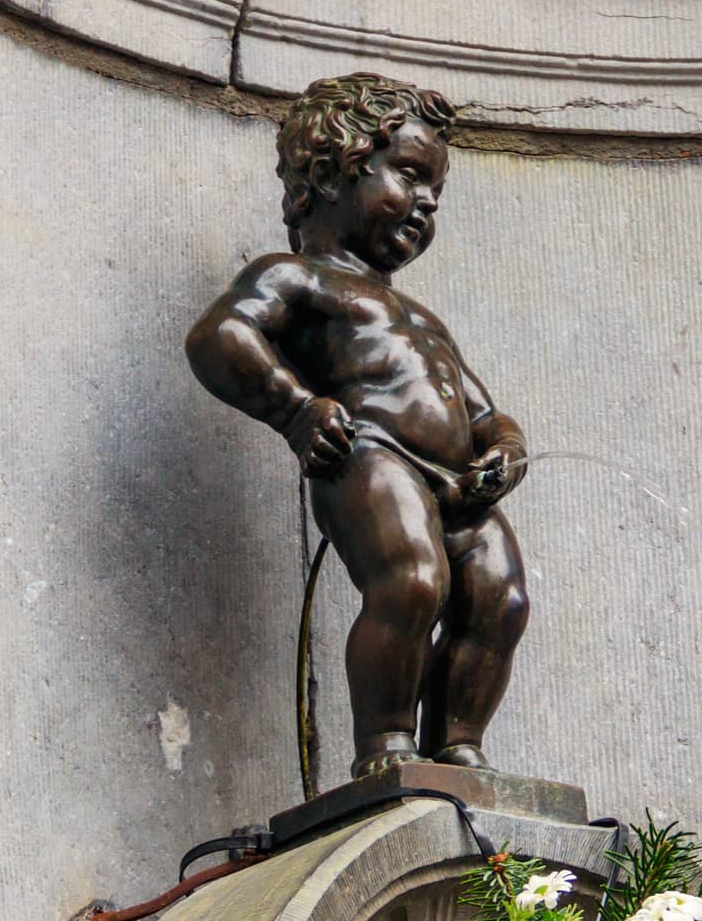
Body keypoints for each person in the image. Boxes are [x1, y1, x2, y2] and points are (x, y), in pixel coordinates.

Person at [186, 72, 530, 779]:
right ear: (328, 174)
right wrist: (294, 410)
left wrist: (506, 447)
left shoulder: (423, 318)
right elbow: (220, 335)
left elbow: (482, 410)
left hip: (458, 484)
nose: (427, 201)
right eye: (410, 175)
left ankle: (459, 744)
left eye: (436, 190)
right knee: (413, 581)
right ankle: (387, 743)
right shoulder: (297, 277)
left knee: (500, 597)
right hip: (367, 453)